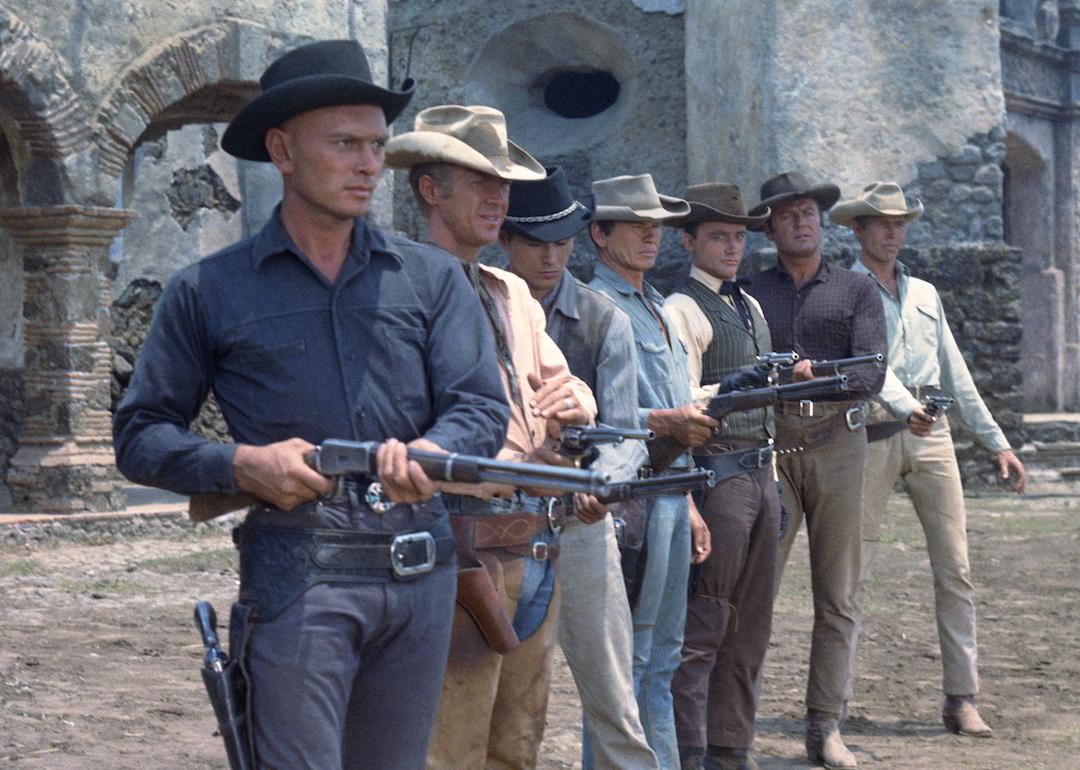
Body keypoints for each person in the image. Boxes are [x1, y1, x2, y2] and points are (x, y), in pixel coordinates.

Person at [112, 41, 510, 770]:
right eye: (346, 144)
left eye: (377, 146)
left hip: (418, 580)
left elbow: (480, 407)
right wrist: (238, 463)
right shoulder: (208, 289)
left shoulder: (432, 280)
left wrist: (430, 451)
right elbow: (139, 436)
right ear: (283, 150)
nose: (368, 165)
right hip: (299, 580)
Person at [385, 105, 598, 770]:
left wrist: (576, 404)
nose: (498, 197)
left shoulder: (511, 290)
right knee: (451, 748)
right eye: (479, 180)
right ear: (430, 190)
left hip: (534, 539)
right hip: (455, 541)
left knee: (517, 747)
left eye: (502, 183)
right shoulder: (397, 285)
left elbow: (569, 389)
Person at [830, 181, 1027, 738]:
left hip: (932, 437)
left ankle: (961, 695)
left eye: (901, 223)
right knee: (853, 570)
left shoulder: (925, 294)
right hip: (870, 435)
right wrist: (903, 404)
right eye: (881, 222)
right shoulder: (844, 290)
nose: (893, 232)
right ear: (857, 229)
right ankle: (834, 698)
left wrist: (998, 443)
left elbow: (956, 372)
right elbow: (865, 363)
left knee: (956, 566)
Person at [499, 167, 661, 770]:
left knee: (613, 690)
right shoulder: (480, 308)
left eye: (563, 242)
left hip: (580, 518)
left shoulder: (602, 319)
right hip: (499, 522)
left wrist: (602, 487)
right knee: (500, 690)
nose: (551, 257)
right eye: (537, 243)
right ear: (508, 242)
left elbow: (625, 433)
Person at [743, 171, 887, 770]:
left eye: (809, 213)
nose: (803, 221)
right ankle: (735, 729)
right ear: (771, 227)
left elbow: (871, 373)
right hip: (770, 447)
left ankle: (825, 725)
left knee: (838, 594)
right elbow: (738, 367)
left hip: (837, 444)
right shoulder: (749, 292)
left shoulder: (856, 290)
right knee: (754, 592)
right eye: (789, 214)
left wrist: (813, 374)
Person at [587, 173, 713, 770]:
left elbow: (677, 407)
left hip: (669, 492)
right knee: (627, 663)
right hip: (626, 498)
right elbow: (592, 410)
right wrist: (664, 422)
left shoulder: (659, 306)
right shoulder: (593, 307)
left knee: (662, 656)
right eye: (635, 225)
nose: (649, 235)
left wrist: (688, 502)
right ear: (599, 234)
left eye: (656, 225)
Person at [664, 183, 780, 770]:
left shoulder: (751, 307)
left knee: (752, 622)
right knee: (706, 619)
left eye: (738, 236)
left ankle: (732, 745)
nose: (732, 247)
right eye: (718, 236)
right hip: (718, 473)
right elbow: (681, 401)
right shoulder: (681, 309)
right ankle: (692, 750)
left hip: (761, 472)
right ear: (689, 241)